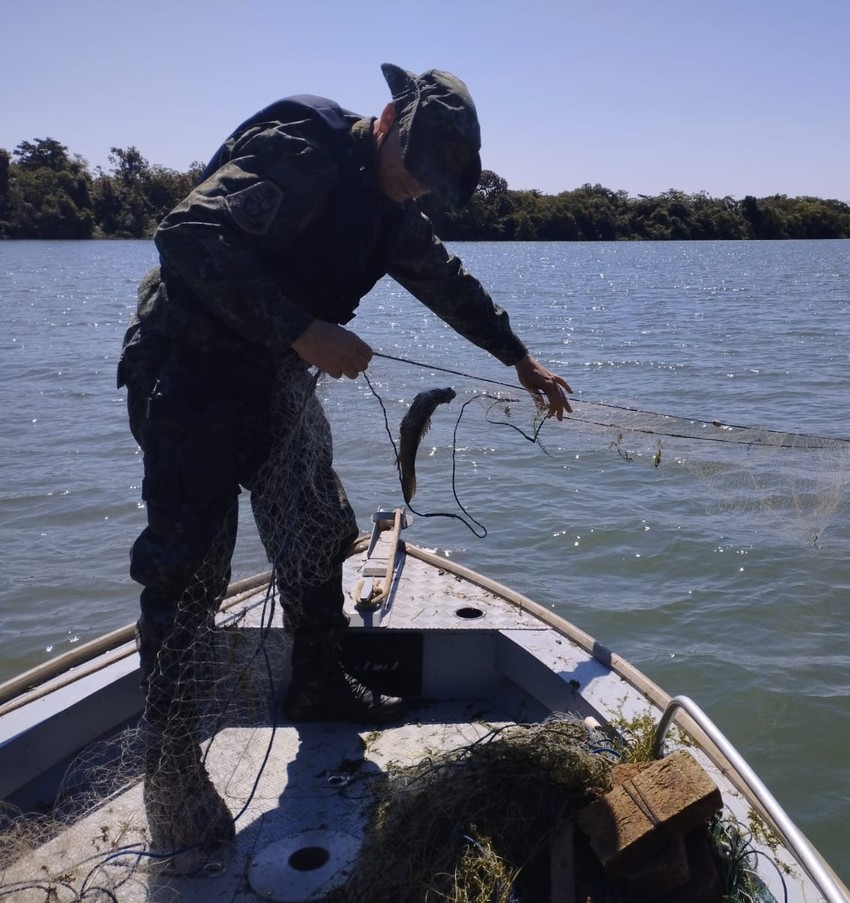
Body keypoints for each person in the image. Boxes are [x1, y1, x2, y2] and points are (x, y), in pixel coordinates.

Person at [117, 63, 573, 856]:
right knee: (188, 573)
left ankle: (320, 681)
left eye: (427, 187)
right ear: (389, 119)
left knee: (321, 531)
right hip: (187, 373)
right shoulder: (305, 152)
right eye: (411, 171)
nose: (412, 191)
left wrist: (519, 358)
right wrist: (305, 330)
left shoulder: (394, 205)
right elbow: (188, 234)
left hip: (272, 378)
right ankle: (172, 771)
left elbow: (445, 281)